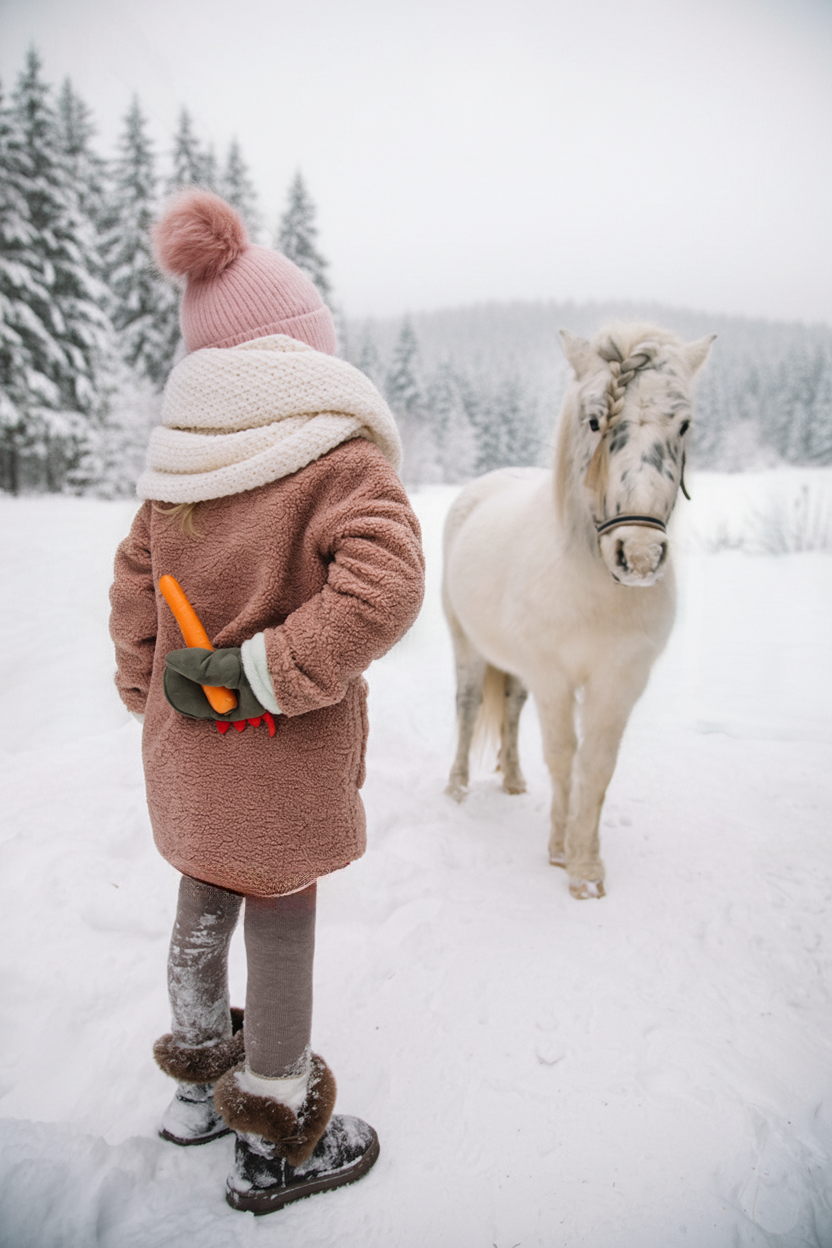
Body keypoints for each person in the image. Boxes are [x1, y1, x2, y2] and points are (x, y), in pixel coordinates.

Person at [109, 189, 425, 1214]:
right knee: (280, 919)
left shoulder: (178, 466)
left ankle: (196, 1093)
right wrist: (273, 673)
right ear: (303, 348)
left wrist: (144, 688)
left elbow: (133, 593)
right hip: (281, 759)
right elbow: (386, 586)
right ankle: (276, 1130)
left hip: (186, 749)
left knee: (202, 901)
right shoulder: (336, 457)